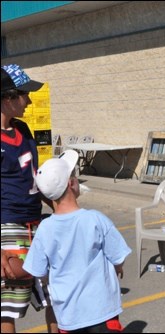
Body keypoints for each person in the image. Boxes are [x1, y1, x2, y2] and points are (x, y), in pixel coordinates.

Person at [23, 150, 132, 333]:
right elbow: (118, 257)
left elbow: (39, 271)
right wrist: (117, 266)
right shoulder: (95, 219)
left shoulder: (44, 229)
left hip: (68, 316)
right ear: (71, 183)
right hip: (102, 311)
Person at [1, 64, 58, 333]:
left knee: (55, 295)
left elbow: (34, 177)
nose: (30, 100)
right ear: (9, 98)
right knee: (7, 309)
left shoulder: (23, 128)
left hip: (38, 223)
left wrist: (62, 207)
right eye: (25, 94)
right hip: (8, 227)